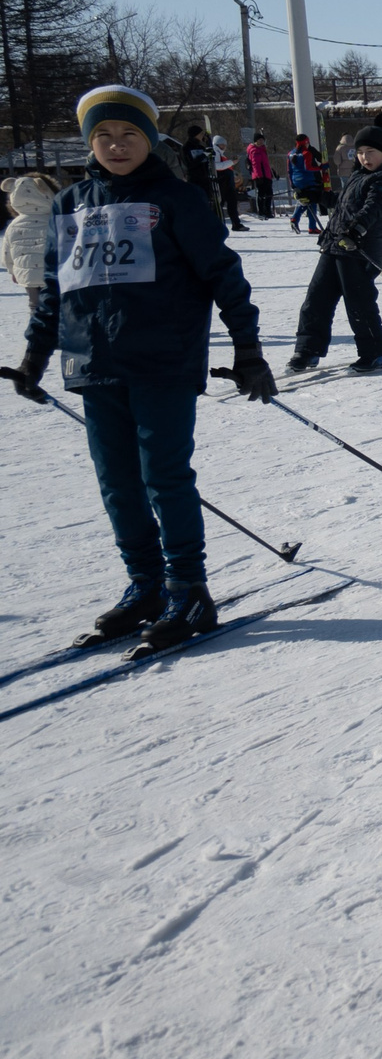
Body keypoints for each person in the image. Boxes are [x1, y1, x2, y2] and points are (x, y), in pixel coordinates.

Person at [10, 86, 274, 653]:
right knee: (118, 485)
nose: (116, 145)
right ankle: (146, 585)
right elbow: (55, 291)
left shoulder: (176, 200)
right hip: (92, 362)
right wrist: (35, 356)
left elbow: (224, 277)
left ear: (149, 139)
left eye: (128, 134)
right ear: (89, 142)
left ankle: (188, 590)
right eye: (103, 136)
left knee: (164, 477)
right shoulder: (70, 204)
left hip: (163, 359)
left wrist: (248, 350)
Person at [289, 126, 382, 374]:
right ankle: (308, 349)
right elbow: (342, 203)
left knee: (359, 304)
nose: (364, 157)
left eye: (370, 151)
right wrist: (315, 195)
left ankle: (374, 353)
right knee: (316, 300)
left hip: (360, 249)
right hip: (334, 245)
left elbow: (374, 207)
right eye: (360, 152)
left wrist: (356, 230)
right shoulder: (359, 176)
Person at [287, 136, 326, 233]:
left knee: (307, 201)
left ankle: (308, 225)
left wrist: (292, 183)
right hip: (308, 180)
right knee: (311, 200)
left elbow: (289, 170)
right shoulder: (306, 153)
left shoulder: (290, 154)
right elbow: (308, 168)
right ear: (305, 143)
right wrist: (321, 167)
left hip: (296, 181)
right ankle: (305, 223)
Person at [211, 134, 248, 231]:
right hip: (222, 183)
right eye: (222, 145)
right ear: (217, 144)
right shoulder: (216, 153)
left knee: (232, 204)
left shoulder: (220, 153)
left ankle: (236, 224)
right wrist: (232, 162)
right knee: (220, 205)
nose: (224, 147)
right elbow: (217, 166)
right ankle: (217, 225)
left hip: (227, 184)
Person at [244, 132, 274, 219]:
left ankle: (268, 210)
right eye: (259, 140)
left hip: (266, 174)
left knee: (269, 193)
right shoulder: (253, 150)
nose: (261, 142)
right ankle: (261, 211)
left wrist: (271, 172)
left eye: (262, 140)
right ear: (255, 141)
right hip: (259, 175)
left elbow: (266, 163)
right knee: (261, 194)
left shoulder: (263, 149)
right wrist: (258, 176)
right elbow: (255, 164)